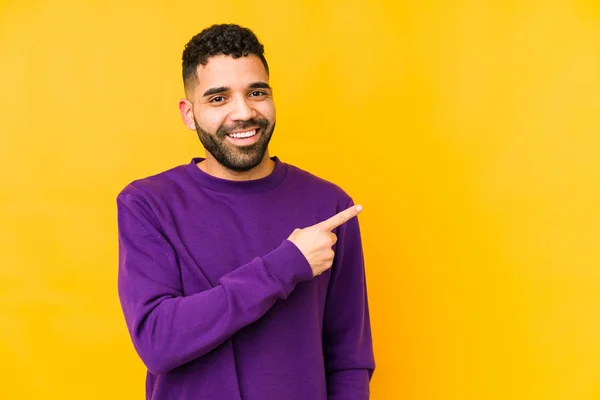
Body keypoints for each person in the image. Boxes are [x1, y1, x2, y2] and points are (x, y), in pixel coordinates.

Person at [116, 23, 375, 400]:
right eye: (218, 98)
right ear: (189, 114)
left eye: (256, 93)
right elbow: (158, 343)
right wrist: (285, 266)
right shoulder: (148, 203)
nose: (244, 112)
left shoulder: (328, 205)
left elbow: (349, 357)